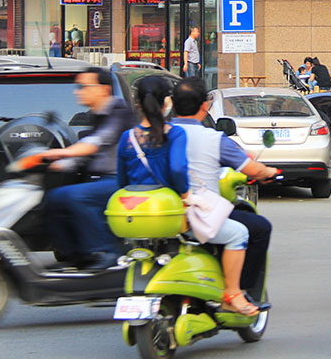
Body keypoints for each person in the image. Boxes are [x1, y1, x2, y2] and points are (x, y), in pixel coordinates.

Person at [118, 76, 260, 316]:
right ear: (167, 102)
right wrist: (186, 196)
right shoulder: (173, 134)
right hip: (170, 213)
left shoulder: (127, 138)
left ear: (137, 103)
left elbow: (121, 181)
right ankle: (233, 293)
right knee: (239, 233)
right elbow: (176, 169)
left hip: (135, 213)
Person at [170, 78, 278, 304]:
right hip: (198, 212)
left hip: (164, 213)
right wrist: (267, 172)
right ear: (205, 106)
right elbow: (251, 169)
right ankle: (239, 291)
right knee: (258, 228)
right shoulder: (212, 138)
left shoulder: (157, 134)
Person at [41, 67, 135, 270]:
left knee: (77, 197)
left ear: (104, 89)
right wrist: (59, 165)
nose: (78, 92)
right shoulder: (96, 115)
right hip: (97, 178)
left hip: (119, 181)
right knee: (54, 198)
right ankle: (74, 255)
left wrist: (59, 154)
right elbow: (89, 154)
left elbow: (96, 143)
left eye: (84, 87)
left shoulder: (119, 113)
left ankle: (106, 252)